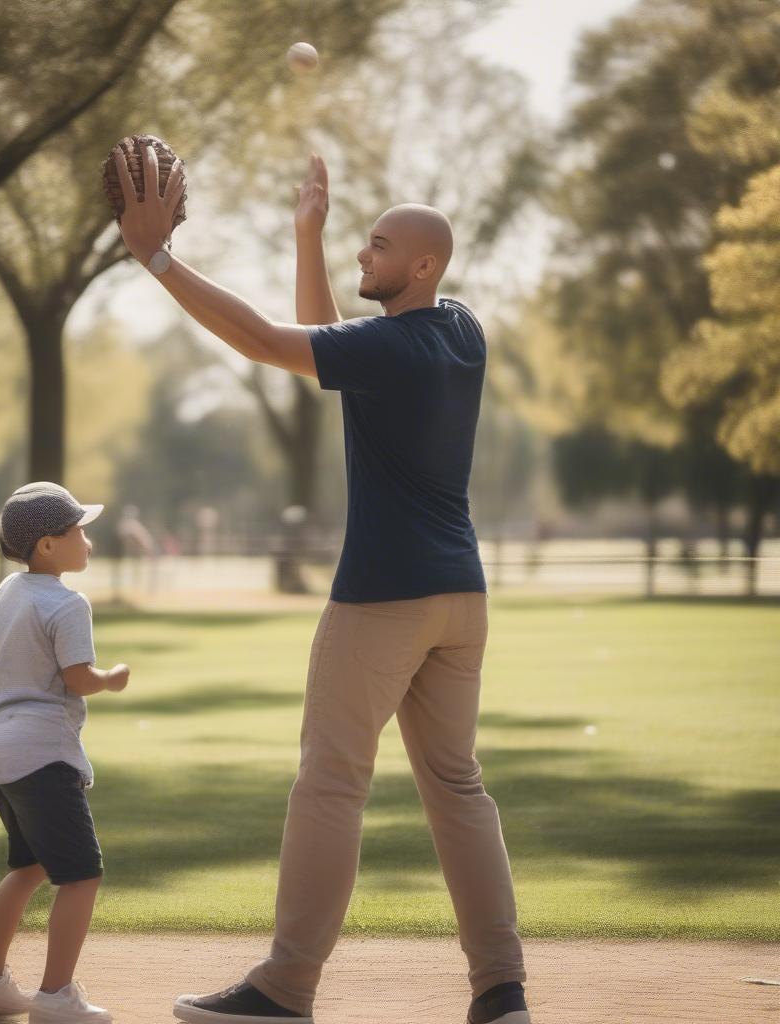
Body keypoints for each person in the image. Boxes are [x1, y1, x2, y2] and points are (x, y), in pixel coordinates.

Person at [114, 148, 530, 1024]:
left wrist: (157, 258)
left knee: (331, 782)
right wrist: (309, 238)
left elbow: (274, 343)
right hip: (461, 597)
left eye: (377, 247)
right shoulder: (460, 331)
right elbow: (328, 348)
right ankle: (502, 990)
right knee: (457, 786)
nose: (362, 255)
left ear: (421, 265)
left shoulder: (395, 347)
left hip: (383, 594)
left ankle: (284, 986)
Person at [0, 481, 131, 1024]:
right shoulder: (67, 602)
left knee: (27, 867)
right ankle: (56, 996)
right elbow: (77, 679)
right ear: (47, 546)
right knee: (82, 875)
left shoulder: (6, 594)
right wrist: (110, 679)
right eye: (78, 530)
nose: (87, 540)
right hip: (43, 754)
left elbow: (2, 655)